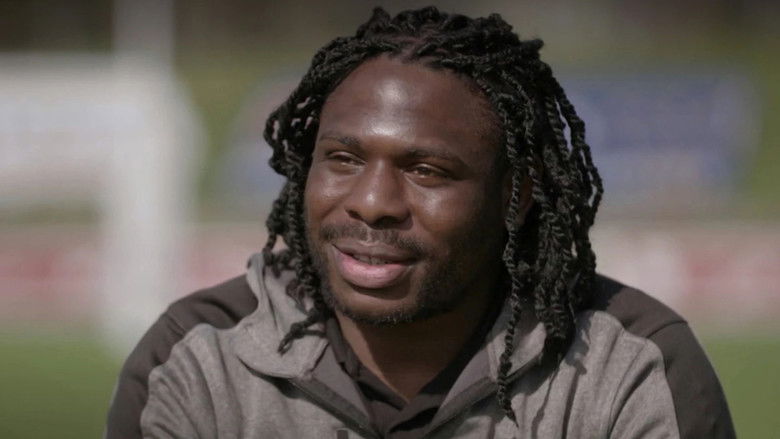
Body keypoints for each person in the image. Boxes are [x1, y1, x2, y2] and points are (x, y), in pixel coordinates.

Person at [105, 7, 735, 438]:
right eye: (343, 159)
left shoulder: (630, 370)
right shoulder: (196, 362)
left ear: (516, 197)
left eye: (427, 170)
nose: (372, 202)